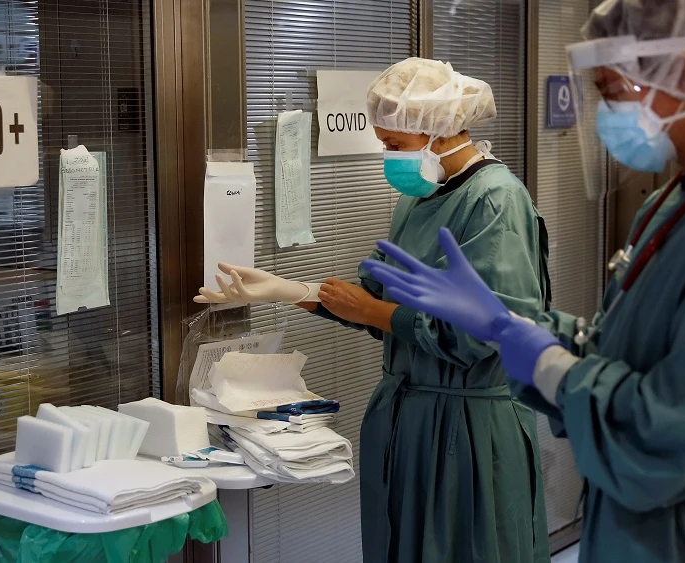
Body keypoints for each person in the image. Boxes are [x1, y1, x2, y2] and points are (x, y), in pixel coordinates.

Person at [361, 2, 685, 562]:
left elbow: (676, 430)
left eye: (612, 90)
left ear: (684, 73)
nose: (604, 113)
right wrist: (508, 323)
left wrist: (547, 363)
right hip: (633, 517)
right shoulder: (675, 199)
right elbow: (622, 349)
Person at [196, 58, 551, 563]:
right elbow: (374, 295)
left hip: (469, 424)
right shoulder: (421, 197)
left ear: (438, 132)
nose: (386, 156)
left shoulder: (494, 200)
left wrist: (379, 315)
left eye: (394, 145)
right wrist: (284, 289)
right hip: (411, 419)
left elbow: (487, 333)